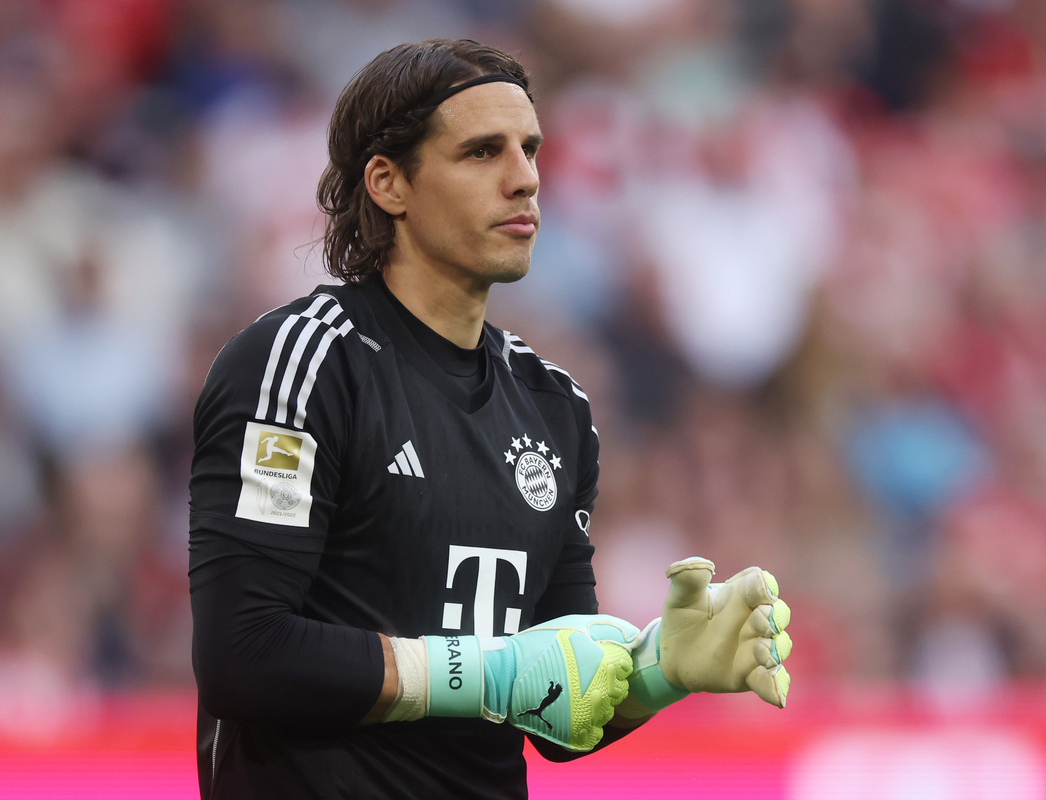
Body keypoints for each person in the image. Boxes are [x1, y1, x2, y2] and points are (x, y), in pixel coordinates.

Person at [188, 38, 792, 799]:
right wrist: (483, 672)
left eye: (530, 149)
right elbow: (244, 654)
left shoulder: (555, 409)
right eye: (481, 152)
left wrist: (657, 670)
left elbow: (557, 705)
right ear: (388, 183)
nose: (526, 178)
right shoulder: (303, 364)